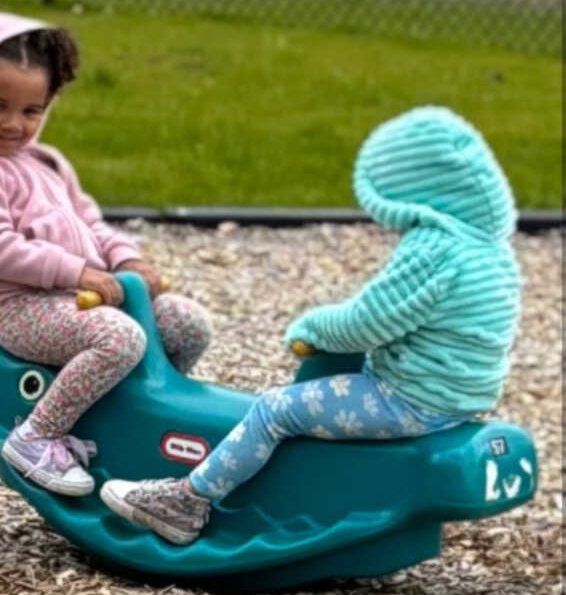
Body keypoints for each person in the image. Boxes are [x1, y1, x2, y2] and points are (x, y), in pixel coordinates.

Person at [100, 105, 522, 545]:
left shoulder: (433, 250)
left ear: (413, 191)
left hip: (411, 400)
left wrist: (314, 328)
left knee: (275, 410)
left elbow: (367, 323)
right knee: (329, 393)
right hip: (462, 398)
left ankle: (186, 502)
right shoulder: (492, 250)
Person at [0, 0, 211, 497]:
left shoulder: (45, 162)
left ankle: (136, 408)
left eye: (31, 111)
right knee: (119, 339)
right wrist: (76, 272)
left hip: (84, 297)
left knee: (187, 322)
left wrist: (127, 259)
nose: (14, 124)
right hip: (23, 306)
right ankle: (38, 436)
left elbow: (92, 224)